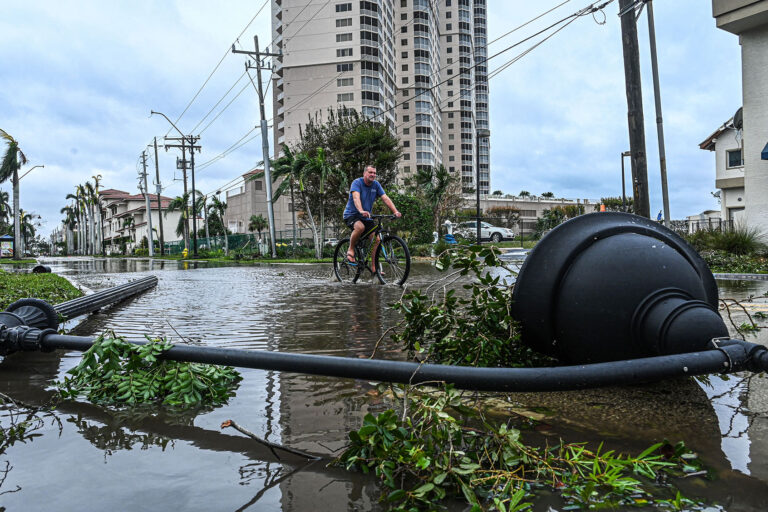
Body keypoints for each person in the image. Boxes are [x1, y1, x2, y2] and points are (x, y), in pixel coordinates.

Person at [342, 165, 401, 271]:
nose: (373, 175)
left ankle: (374, 268)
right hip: (352, 214)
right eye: (370, 172)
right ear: (364, 173)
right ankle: (350, 249)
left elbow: (385, 198)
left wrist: (395, 211)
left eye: (374, 173)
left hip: (366, 216)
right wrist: (360, 210)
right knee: (360, 227)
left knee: (377, 240)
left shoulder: (376, 185)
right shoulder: (357, 182)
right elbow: (356, 198)